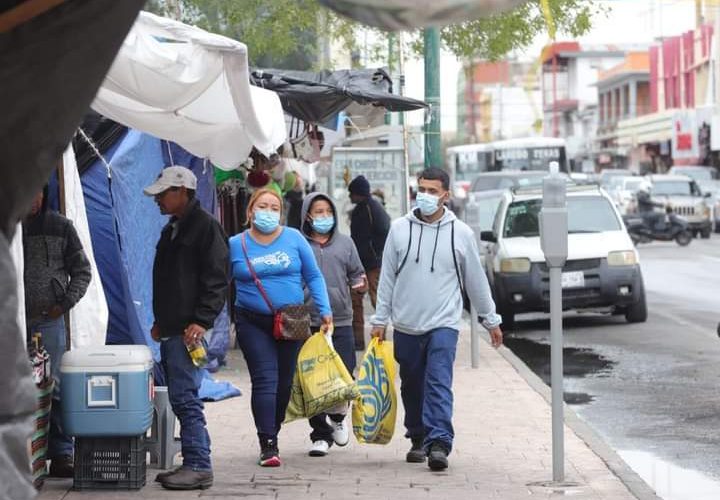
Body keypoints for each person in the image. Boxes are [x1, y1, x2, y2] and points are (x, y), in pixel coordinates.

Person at [370, 167, 504, 472]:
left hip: (444, 323)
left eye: (432, 191)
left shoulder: (461, 234)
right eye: (422, 189)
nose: (426, 196)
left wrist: (490, 319)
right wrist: (380, 320)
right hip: (406, 324)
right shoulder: (399, 229)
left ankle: (439, 442)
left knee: (438, 382)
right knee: (412, 384)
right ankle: (418, 436)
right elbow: (387, 276)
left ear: (446, 195)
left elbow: (475, 281)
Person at [230, 188, 332, 467]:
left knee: (285, 384)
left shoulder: (294, 238)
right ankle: (268, 443)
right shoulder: (235, 244)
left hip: (293, 317)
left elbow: (313, 275)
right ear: (250, 211)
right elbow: (218, 281)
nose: (268, 212)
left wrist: (325, 310)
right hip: (251, 320)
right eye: (262, 206)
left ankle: (272, 426)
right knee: (265, 379)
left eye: (274, 207)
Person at [145, 166, 229, 490]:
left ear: (183, 191)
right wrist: (160, 322)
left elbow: (217, 280)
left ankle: (198, 464)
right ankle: (195, 460)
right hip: (173, 329)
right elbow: (170, 281)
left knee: (185, 397)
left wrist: (202, 320)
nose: (158, 201)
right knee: (183, 396)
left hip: (187, 331)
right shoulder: (173, 229)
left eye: (163, 193)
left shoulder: (205, 228)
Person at [23, 186, 92, 478]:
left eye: (37, 191)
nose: (32, 199)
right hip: (14, 321)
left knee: (56, 385)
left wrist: (63, 304)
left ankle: (62, 453)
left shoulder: (61, 227)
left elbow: (82, 271)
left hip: (49, 319)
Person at [300, 192, 366, 457]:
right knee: (312, 380)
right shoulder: (299, 244)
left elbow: (357, 273)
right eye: (318, 211)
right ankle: (319, 434)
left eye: (328, 211)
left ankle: (338, 418)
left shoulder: (346, 244)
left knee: (344, 373)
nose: (324, 216)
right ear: (307, 215)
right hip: (307, 322)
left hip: (341, 321)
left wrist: (359, 284)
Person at [348, 175, 390, 350]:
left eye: (352, 193)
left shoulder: (369, 210)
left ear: (359, 194)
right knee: (360, 300)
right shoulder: (368, 208)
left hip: (370, 264)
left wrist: (373, 255)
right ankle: (363, 340)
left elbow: (379, 234)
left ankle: (375, 339)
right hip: (366, 263)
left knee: (368, 300)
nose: (349, 196)